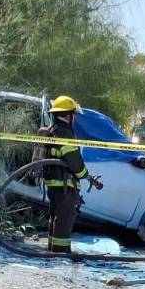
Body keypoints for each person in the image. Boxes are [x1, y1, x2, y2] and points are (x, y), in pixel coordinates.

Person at [35, 95, 92, 253]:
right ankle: (61, 254)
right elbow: (73, 160)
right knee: (64, 219)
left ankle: (53, 249)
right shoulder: (65, 132)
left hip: (54, 183)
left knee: (56, 216)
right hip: (65, 184)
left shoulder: (53, 130)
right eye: (73, 114)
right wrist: (84, 174)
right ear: (68, 115)